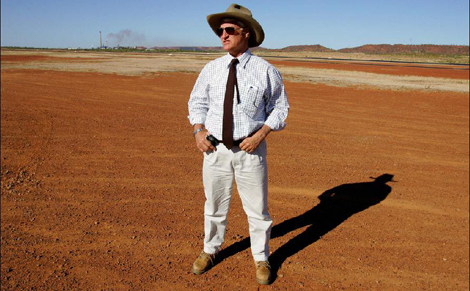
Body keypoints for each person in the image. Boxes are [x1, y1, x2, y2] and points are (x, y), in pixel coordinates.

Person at [187, 3, 289, 285]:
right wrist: (198, 131)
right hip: (215, 150)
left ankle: (261, 257)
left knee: (257, 209)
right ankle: (210, 250)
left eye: (229, 30)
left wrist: (260, 135)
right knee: (214, 205)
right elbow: (197, 103)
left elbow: (280, 109)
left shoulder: (266, 71)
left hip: (250, 150)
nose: (223, 35)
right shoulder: (211, 69)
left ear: (245, 33)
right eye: (220, 31)